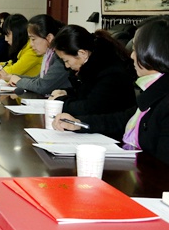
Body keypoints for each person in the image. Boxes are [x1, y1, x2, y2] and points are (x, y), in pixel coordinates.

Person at [53, 16, 169, 165]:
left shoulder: (163, 98)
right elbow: (121, 119)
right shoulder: (154, 88)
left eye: (135, 50)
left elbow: (162, 168)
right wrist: (79, 123)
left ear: (154, 53)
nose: (132, 56)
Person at [49, 24, 136, 116]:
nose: (66, 66)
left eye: (66, 61)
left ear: (82, 53)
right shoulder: (93, 65)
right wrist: (66, 92)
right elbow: (85, 93)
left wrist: (60, 102)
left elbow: (89, 108)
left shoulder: (111, 73)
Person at [4, 14, 71, 95]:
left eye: (33, 39)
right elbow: (38, 79)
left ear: (49, 38)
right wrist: (12, 77)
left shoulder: (60, 58)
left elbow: (42, 86)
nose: (31, 44)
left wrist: (18, 81)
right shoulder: (48, 55)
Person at [0, 13, 41, 78]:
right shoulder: (24, 48)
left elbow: (12, 72)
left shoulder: (33, 50)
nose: (5, 39)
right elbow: (14, 62)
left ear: (17, 33)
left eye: (7, 35)